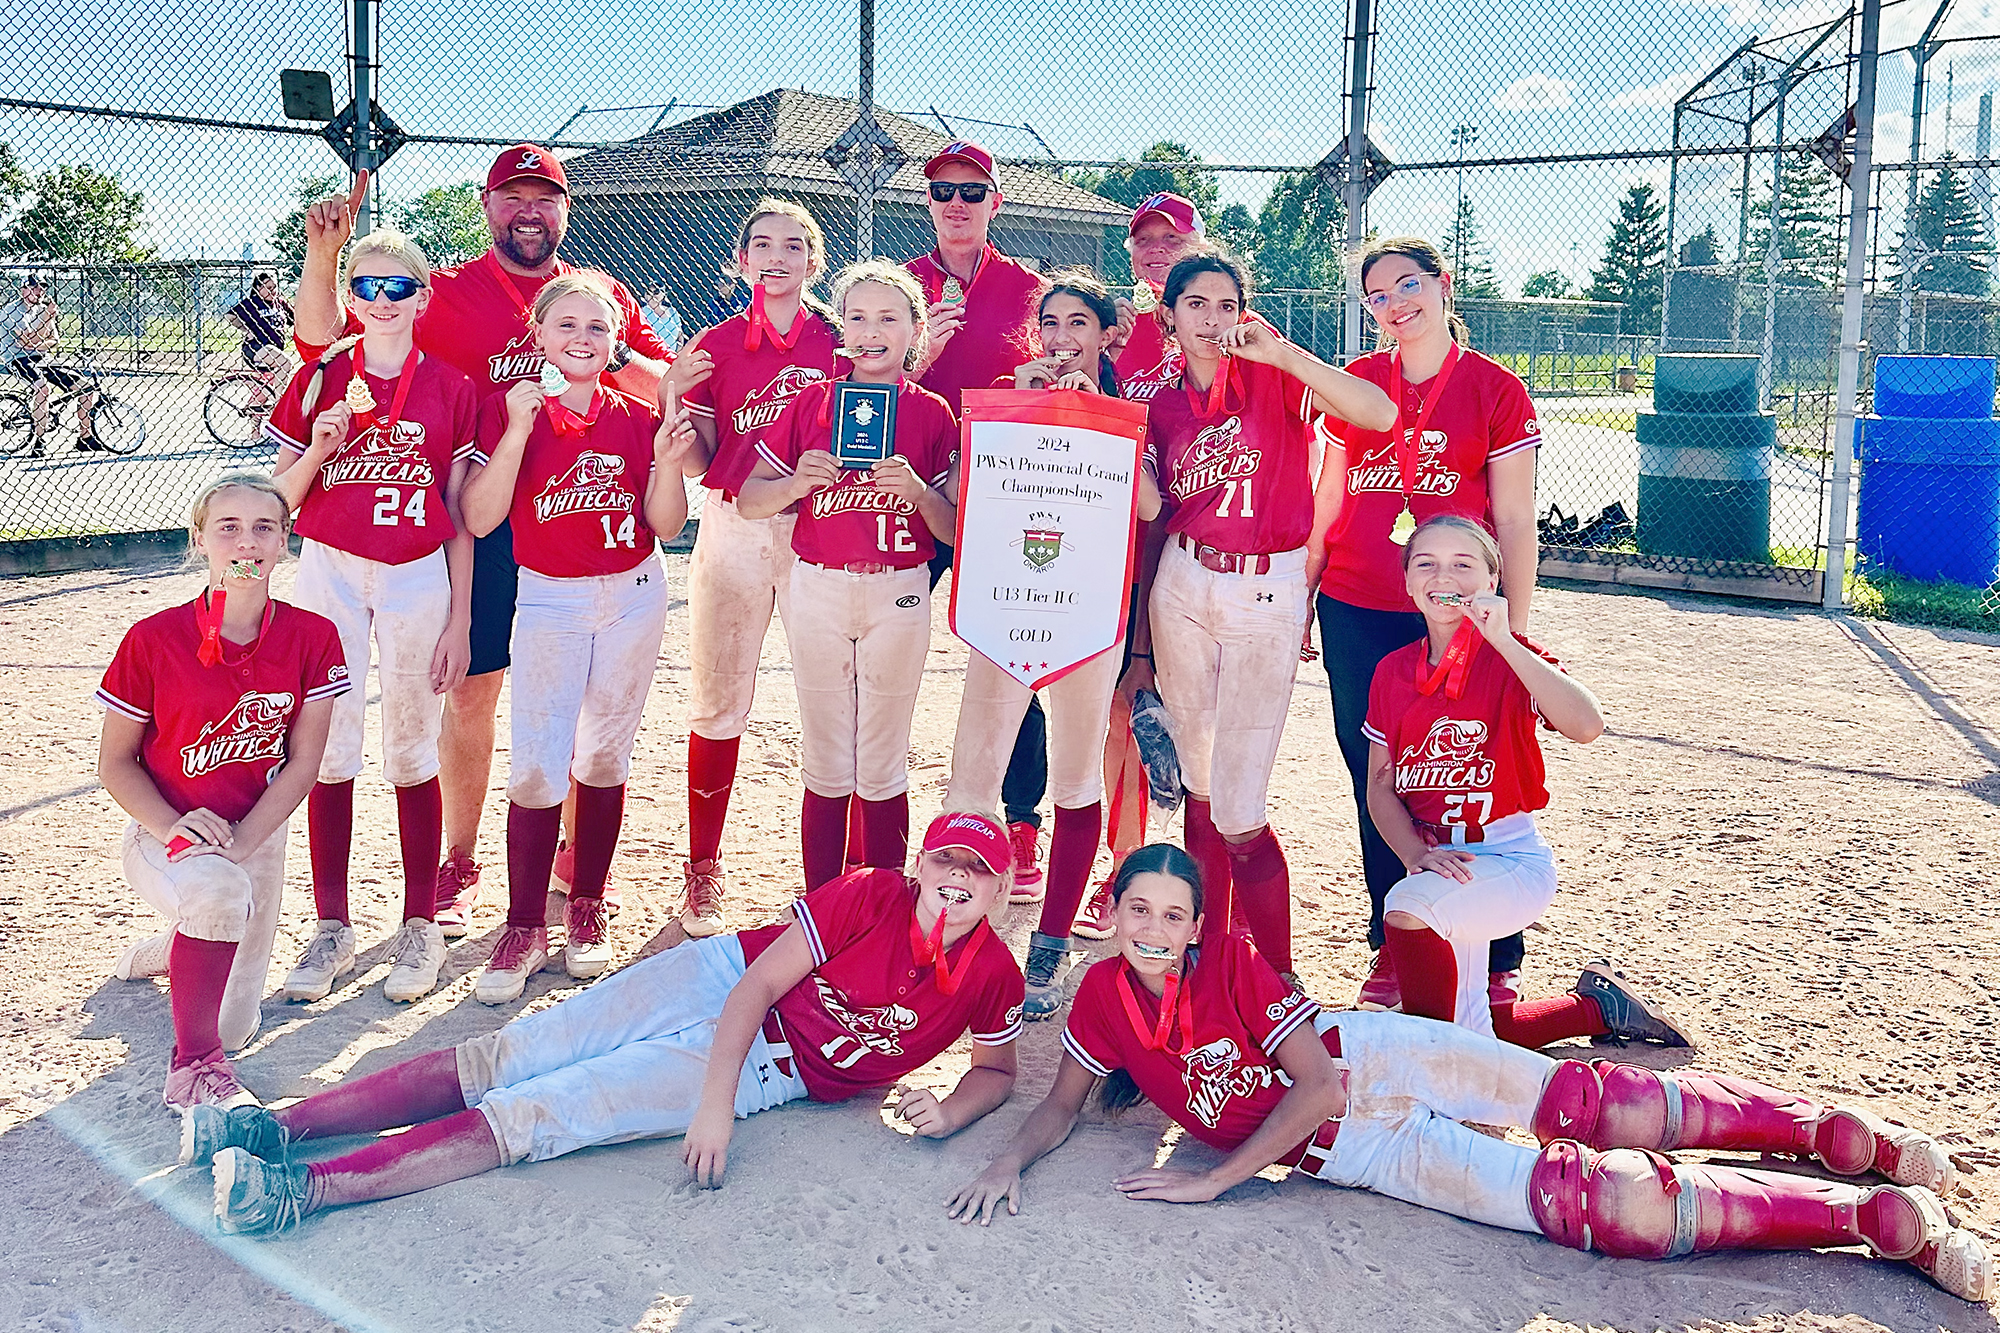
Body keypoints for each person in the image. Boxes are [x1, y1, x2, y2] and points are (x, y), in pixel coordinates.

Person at [944, 845, 1992, 1305]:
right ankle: (1873, 1219)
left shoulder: (1228, 960)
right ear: (1112, 912)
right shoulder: (1094, 996)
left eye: (1173, 914)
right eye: (1137, 911)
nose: (1155, 931)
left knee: (1599, 1103)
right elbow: (1059, 1103)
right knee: (1604, 1206)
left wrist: (1217, 1176)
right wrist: (1009, 1161)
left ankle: (1830, 1131)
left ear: (1196, 922)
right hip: (1358, 1150)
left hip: (1371, 1061)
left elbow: (1313, 1084)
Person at [182, 811, 1027, 1236]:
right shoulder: (874, 892)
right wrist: (710, 1104)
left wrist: (952, 1111)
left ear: (999, 890)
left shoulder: (992, 972)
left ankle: (303, 1192)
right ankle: (273, 1127)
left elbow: (998, 1070)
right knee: (508, 1053)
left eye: (977, 873)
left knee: (544, 1112)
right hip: (725, 980)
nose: (957, 880)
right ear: (921, 863)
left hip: (779, 1071)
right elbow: (756, 990)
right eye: (946, 860)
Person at [290, 151, 677, 940]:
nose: (528, 213)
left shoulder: (597, 296)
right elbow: (332, 342)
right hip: (480, 517)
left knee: (575, 700)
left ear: (565, 210)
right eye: (512, 198)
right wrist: (327, 256)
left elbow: (661, 388)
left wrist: (621, 350)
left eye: (545, 199)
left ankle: (571, 856)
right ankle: (460, 859)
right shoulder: (452, 292)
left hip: (571, 510)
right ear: (486, 205)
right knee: (470, 690)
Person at [1139, 251, 1395, 980]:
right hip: (1185, 583)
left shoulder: (1274, 374)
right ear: (1171, 314)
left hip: (1265, 588)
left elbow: (1376, 412)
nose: (1212, 319)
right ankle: (1208, 955)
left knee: (1241, 804)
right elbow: (1156, 511)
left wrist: (1284, 354)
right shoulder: (1155, 397)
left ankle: (1276, 979)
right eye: (1196, 304)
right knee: (1199, 779)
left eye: (1226, 304)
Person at [1314, 236, 1541, 1012]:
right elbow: (1333, 498)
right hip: (1356, 600)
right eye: (1376, 294)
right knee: (1376, 774)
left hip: (1456, 608)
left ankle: (1492, 944)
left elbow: (1512, 516)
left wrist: (1511, 624)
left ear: (1443, 286)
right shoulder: (1357, 382)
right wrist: (1308, 590)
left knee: (1466, 767)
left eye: (1407, 284)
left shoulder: (1493, 388)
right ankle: (1395, 935)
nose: (1394, 303)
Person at [458, 271, 695, 1003]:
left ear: (616, 339)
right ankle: (525, 921)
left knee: (602, 752)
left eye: (597, 327)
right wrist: (521, 429)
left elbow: (665, 524)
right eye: (566, 326)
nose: (582, 339)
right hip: (552, 600)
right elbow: (479, 517)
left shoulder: (634, 412)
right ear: (538, 336)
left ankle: (587, 902)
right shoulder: (510, 411)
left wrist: (666, 458)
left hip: (631, 595)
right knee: (537, 763)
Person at [1368, 515, 1689, 1048]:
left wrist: (1506, 641)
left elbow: (1587, 726)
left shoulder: (1512, 657)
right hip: (1440, 864)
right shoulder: (1392, 671)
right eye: (1426, 563)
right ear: (1407, 583)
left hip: (1509, 860)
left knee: (1406, 908)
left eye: (1463, 564)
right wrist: (1412, 852)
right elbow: (1381, 785)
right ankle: (1595, 1009)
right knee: (1478, 1030)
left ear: (1491, 581)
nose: (1443, 575)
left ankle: (1428, 1070)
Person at [265, 229, 479, 1006]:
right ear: (349, 296)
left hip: (417, 569)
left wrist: (459, 617)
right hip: (330, 562)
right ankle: (332, 924)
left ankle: (420, 920)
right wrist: (321, 448)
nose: (381, 302)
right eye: (367, 288)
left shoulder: (450, 386)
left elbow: (456, 510)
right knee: (329, 740)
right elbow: (278, 501)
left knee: (413, 741)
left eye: (398, 288)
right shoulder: (320, 374)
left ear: (423, 298)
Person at [96, 474, 347, 1109]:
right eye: (227, 527)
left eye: (265, 527)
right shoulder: (154, 638)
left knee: (236, 1025)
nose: (246, 541)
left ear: (286, 541)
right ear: (199, 541)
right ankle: (192, 1070)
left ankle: (177, 946)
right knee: (213, 893)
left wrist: (244, 844)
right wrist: (174, 827)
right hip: (167, 830)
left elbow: (301, 765)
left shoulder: (313, 636)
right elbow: (116, 764)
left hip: (256, 831)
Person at [737, 261, 958, 890]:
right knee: (828, 755)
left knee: (884, 756)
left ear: (915, 328)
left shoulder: (931, 411)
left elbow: (948, 529)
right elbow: (750, 499)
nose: (870, 332)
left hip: (900, 588)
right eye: (856, 316)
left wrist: (917, 491)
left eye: (889, 318)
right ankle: (823, 902)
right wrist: (795, 482)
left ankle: (883, 897)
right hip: (819, 586)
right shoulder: (812, 400)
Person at [946, 272, 1132, 1020]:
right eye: (1049, 324)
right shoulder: (1006, 396)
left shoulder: (1126, 415)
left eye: (1078, 324)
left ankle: (1049, 944)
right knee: (971, 774)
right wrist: (1020, 406)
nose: (1061, 339)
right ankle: (958, 934)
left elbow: (1147, 504)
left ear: (1105, 334)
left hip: (1089, 614)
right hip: (1009, 607)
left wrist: (1090, 410)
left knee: (1076, 776)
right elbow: (963, 494)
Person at [676, 199, 841, 936]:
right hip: (734, 525)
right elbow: (704, 458)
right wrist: (670, 401)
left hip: (821, 525)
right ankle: (703, 866)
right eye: (761, 245)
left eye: (793, 245)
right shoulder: (713, 344)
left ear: (814, 260)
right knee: (718, 699)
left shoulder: (839, 341)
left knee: (830, 701)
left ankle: (833, 880)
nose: (776, 257)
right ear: (741, 260)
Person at [905, 139, 1051, 893]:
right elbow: (859, 382)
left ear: (996, 202)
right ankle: (880, 814)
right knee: (892, 641)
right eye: (942, 192)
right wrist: (918, 356)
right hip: (918, 483)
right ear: (926, 202)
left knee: (1011, 652)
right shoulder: (902, 285)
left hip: (1005, 490)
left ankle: (1020, 821)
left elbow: (1060, 373)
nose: (956, 205)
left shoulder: (1029, 289)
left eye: (972, 192)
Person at [1113, 192, 1209, 393]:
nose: (1156, 248)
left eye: (1172, 238)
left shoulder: (1231, 321)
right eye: (1143, 239)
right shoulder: (1115, 327)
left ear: (1201, 249)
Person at [2, 272, 100, 454]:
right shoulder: (10, 312)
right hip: (18, 358)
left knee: (86, 388)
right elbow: (26, 343)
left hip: (43, 358)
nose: (40, 292)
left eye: (42, 288)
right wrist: (47, 319)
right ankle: (39, 442)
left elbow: (54, 339)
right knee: (42, 388)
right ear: (23, 290)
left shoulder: (42, 310)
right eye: (34, 287)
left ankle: (85, 438)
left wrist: (38, 340)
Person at [224, 271, 295, 394]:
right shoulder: (252, 303)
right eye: (268, 288)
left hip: (274, 349)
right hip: (255, 347)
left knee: (270, 385)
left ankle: (259, 405)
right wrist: (246, 329)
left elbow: (295, 319)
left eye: (274, 287)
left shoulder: (280, 303)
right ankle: (279, 402)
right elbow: (230, 316)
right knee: (286, 363)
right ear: (258, 288)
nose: (272, 291)